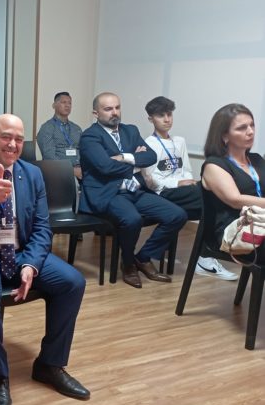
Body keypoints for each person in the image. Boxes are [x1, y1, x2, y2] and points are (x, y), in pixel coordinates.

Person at [0, 114, 90, 405]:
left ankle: (49, 364)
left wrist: (31, 265)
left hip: (20, 252)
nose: (13, 144)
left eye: (19, 139)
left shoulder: (31, 173)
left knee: (72, 282)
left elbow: (42, 227)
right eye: (6, 136)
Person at [79, 92, 187, 288]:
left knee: (176, 215)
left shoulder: (130, 131)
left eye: (117, 107)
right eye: (108, 109)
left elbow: (151, 157)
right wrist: (136, 163)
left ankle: (143, 258)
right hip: (108, 193)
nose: (114, 112)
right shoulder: (90, 136)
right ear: (96, 113)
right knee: (132, 219)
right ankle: (128, 263)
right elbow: (104, 166)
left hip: (134, 190)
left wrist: (125, 157)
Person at [142, 96, 237, 280]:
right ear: (150, 119)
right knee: (213, 197)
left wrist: (186, 180)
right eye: (161, 115)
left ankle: (204, 257)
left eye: (169, 114)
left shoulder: (179, 141)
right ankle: (205, 258)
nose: (167, 119)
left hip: (184, 191)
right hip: (163, 193)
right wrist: (177, 183)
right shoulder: (148, 144)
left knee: (210, 207)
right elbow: (151, 180)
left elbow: (186, 169)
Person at [201, 103, 265, 257]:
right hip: (236, 230)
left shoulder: (256, 159)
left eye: (252, 125)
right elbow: (235, 200)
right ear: (224, 135)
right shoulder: (214, 165)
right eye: (241, 128)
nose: (250, 131)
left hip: (260, 222)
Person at [36, 92, 83, 180]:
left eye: (69, 103)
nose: (67, 105)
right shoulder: (47, 128)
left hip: (80, 171)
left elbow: (83, 150)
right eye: (63, 102)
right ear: (54, 105)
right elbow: (49, 156)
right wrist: (70, 170)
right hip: (58, 173)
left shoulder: (76, 128)